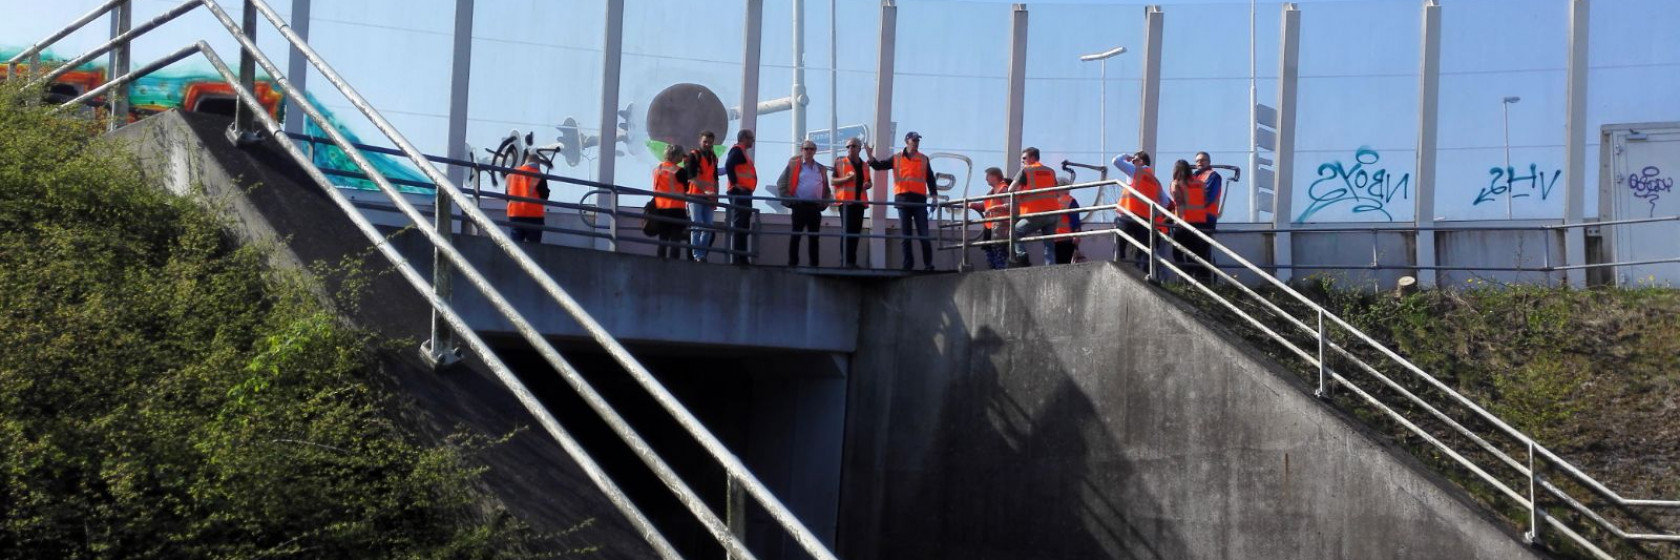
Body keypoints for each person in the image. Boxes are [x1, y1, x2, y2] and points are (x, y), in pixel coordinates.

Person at [865, 131, 936, 271]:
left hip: (919, 201)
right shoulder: (897, 158)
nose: (916, 142)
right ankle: (907, 265)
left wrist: (934, 197)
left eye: (917, 140)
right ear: (907, 141)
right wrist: (869, 155)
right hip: (903, 201)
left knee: (924, 234)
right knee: (906, 236)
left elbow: (930, 179)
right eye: (914, 140)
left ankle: (928, 264)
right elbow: (880, 166)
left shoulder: (923, 159)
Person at [776, 140, 832, 267]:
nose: (809, 151)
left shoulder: (820, 169)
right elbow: (781, 183)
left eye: (811, 149)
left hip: (815, 207)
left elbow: (827, 189)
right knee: (796, 235)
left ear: (815, 151)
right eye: (806, 149)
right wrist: (789, 201)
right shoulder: (794, 166)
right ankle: (793, 263)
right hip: (799, 205)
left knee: (814, 237)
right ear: (801, 150)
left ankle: (814, 264)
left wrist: (825, 203)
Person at [1111, 150, 1168, 268]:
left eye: (1134, 160)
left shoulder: (1135, 170)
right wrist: (1155, 212)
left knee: (1120, 247)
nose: (1132, 162)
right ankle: (1141, 278)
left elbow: (1115, 161)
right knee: (1143, 252)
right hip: (1145, 219)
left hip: (1128, 215)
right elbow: (1165, 201)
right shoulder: (1156, 181)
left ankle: (1119, 273)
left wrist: (1126, 156)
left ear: (1140, 161)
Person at [1008, 147, 1061, 267]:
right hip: (1052, 211)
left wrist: (1021, 192)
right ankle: (1050, 267)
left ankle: (1022, 257)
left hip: (1035, 213)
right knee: (1049, 243)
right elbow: (1056, 191)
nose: (1022, 161)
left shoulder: (1025, 171)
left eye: (1024, 158)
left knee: (1015, 231)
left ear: (1032, 158)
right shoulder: (1051, 171)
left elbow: (1010, 189)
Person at [1170, 157, 1216, 283]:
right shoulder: (1199, 184)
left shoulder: (1177, 184)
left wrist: (1178, 222)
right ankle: (1196, 280)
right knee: (1194, 255)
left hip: (1185, 223)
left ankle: (1186, 276)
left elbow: (1179, 204)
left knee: (1177, 253)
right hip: (1200, 223)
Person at [832, 137, 872, 268]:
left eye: (853, 146)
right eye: (848, 146)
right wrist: (847, 178)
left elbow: (869, 181)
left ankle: (851, 262)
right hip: (846, 203)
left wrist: (868, 185)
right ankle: (845, 262)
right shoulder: (840, 162)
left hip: (859, 203)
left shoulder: (865, 165)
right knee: (847, 231)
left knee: (855, 233)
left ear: (859, 148)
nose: (850, 149)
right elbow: (833, 181)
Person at [684, 131, 720, 262]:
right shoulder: (693, 156)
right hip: (695, 196)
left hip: (708, 197)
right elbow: (691, 177)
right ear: (700, 141)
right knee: (697, 226)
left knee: (708, 228)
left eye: (710, 142)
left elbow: (715, 179)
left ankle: (701, 254)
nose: (708, 144)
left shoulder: (714, 158)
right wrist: (706, 191)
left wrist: (716, 196)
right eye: (705, 141)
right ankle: (697, 255)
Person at [723, 129, 758, 265]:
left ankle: (742, 257)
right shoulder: (737, 151)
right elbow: (728, 165)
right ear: (744, 138)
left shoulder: (741, 152)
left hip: (744, 193)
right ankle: (738, 257)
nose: (753, 141)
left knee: (743, 225)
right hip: (739, 193)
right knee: (740, 224)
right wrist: (736, 184)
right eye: (751, 138)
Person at [652, 144, 692, 259]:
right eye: (681, 155)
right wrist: (687, 164)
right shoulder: (679, 171)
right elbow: (687, 188)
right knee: (675, 239)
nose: (681, 158)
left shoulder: (657, 169)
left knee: (663, 238)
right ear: (676, 155)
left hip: (660, 208)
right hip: (676, 209)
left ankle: (660, 263)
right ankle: (674, 264)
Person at [968, 167, 1012, 270]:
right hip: (990, 226)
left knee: (999, 251)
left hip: (1001, 226)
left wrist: (994, 208)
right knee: (989, 250)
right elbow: (986, 207)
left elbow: (1009, 205)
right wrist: (974, 205)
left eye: (987, 176)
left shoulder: (1003, 189)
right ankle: (994, 271)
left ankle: (999, 273)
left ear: (993, 177)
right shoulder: (991, 192)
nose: (986, 179)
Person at [505, 152, 551, 243]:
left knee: (516, 248)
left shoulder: (511, 174)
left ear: (525, 161)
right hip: (534, 216)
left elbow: (507, 196)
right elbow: (544, 196)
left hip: (515, 215)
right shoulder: (538, 175)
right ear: (537, 163)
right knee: (533, 249)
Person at [1054, 191, 1084, 264]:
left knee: (1058, 265)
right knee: (1068, 265)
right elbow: (1075, 220)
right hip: (1067, 238)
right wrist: (1076, 234)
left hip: (1055, 238)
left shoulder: (1053, 201)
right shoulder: (1070, 200)